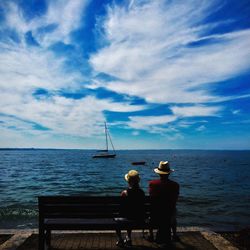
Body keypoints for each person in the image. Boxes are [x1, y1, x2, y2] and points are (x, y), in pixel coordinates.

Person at [148, 161, 179, 245]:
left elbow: (151, 199)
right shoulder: (175, 185)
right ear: (169, 173)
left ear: (159, 173)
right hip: (169, 214)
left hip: (155, 214)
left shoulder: (152, 184)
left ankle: (151, 235)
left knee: (153, 209)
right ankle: (174, 235)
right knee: (174, 210)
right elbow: (174, 201)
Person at [115, 170, 145, 247]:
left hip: (127, 218)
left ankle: (120, 239)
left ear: (128, 181)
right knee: (131, 215)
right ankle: (128, 237)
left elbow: (121, 208)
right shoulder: (142, 193)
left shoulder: (124, 193)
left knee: (118, 219)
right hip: (139, 219)